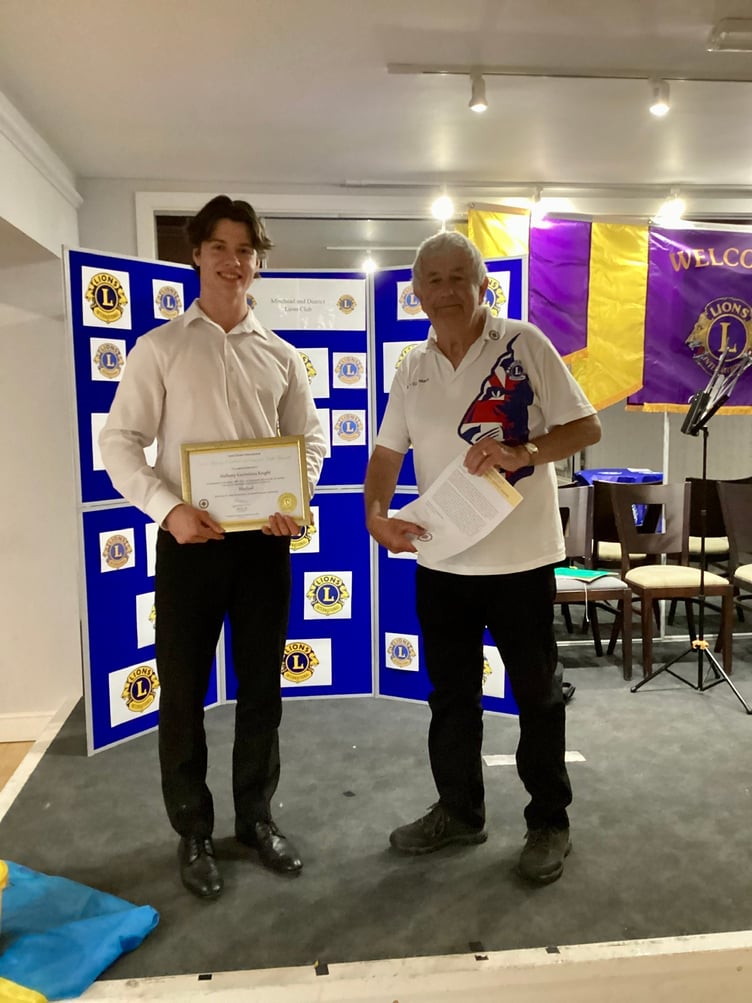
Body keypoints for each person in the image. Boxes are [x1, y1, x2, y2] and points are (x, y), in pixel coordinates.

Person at [100, 195, 326, 900]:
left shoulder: (284, 356)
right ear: (196, 253)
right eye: (220, 247)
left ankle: (256, 819)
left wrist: (295, 497)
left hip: (263, 545)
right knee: (184, 696)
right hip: (190, 546)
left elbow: (310, 440)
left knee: (262, 689)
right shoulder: (160, 348)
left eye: (246, 250)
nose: (233, 261)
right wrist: (168, 511)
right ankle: (193, 830)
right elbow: (119, 443)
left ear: (259, 262)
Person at [364, 231, 601, 884]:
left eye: (456, 277)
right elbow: (387, 452)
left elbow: (586, 427)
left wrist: (524, 453)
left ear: (482, 285)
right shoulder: (411, 366)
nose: (445, 290)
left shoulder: (523, 344)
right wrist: (375, 514)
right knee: (451, 699)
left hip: (520, 562)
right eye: (431, 280)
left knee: (537, 697)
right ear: (415, 294)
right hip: (442, 562)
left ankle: (549, 820)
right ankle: (460, 811)